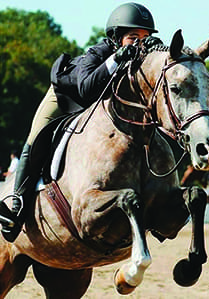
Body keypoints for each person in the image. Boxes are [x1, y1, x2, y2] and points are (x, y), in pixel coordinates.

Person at [0, 2, 163, 242]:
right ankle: (16, 203)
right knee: (36, 139)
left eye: (145, 37)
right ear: (117, 38)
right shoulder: (98, 53)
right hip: (65, 99)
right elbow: (86, 90)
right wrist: (117, 59)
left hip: (95, 110)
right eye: (133, 37)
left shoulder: (142, 59)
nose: (140, 42)